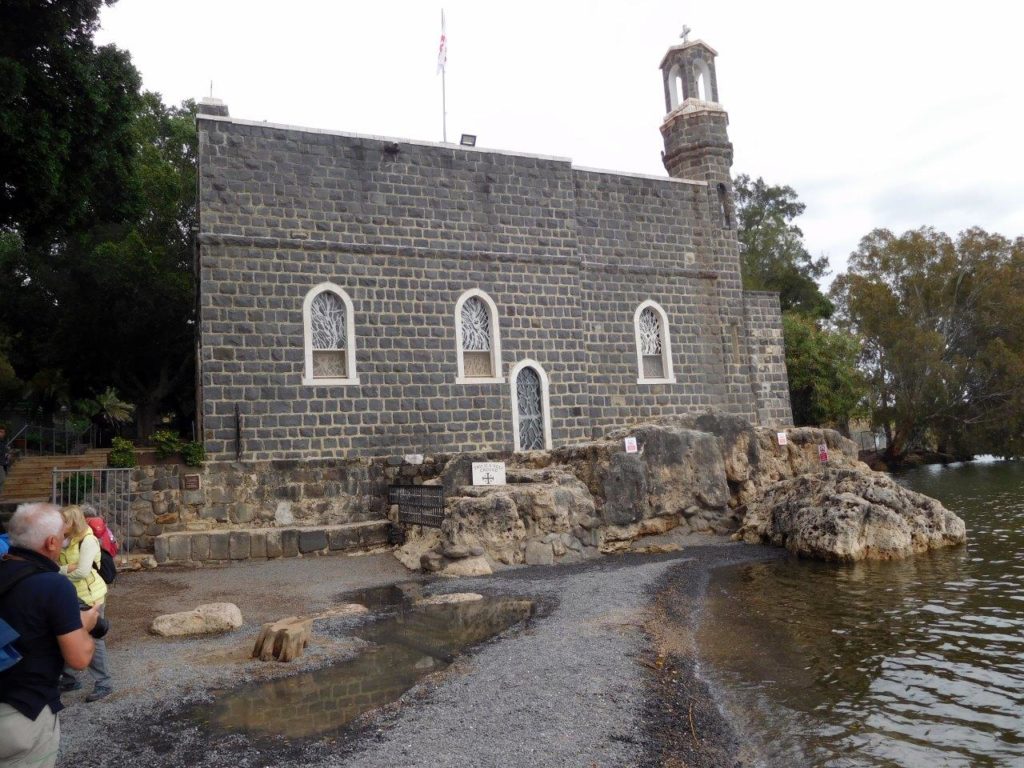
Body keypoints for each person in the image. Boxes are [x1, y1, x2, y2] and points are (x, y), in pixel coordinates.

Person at [0, 503, 99, 768]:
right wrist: (84, 626)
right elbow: (79, 659)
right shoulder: (53, 585)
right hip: (21, 713)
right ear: (52, 542)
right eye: (63, 537)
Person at [57, 504, 112, 702]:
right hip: (71, 595)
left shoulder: (87, 540)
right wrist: (66, 568)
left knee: (94, 639)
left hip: (91, 597)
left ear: (73, 522)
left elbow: (82, 572)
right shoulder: (66, 540)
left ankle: (104, 683)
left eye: (64, 521)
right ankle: (69, 679)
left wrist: (59, 571)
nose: (59, 525)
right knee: (66, 634)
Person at [0, 425, 9, 496]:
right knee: (2, 480)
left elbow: (4, 452)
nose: (2, 433)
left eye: (3, 432)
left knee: (3, 480)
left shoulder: (3, 442)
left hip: (2, 464)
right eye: (0, 432)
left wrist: (7, 455)